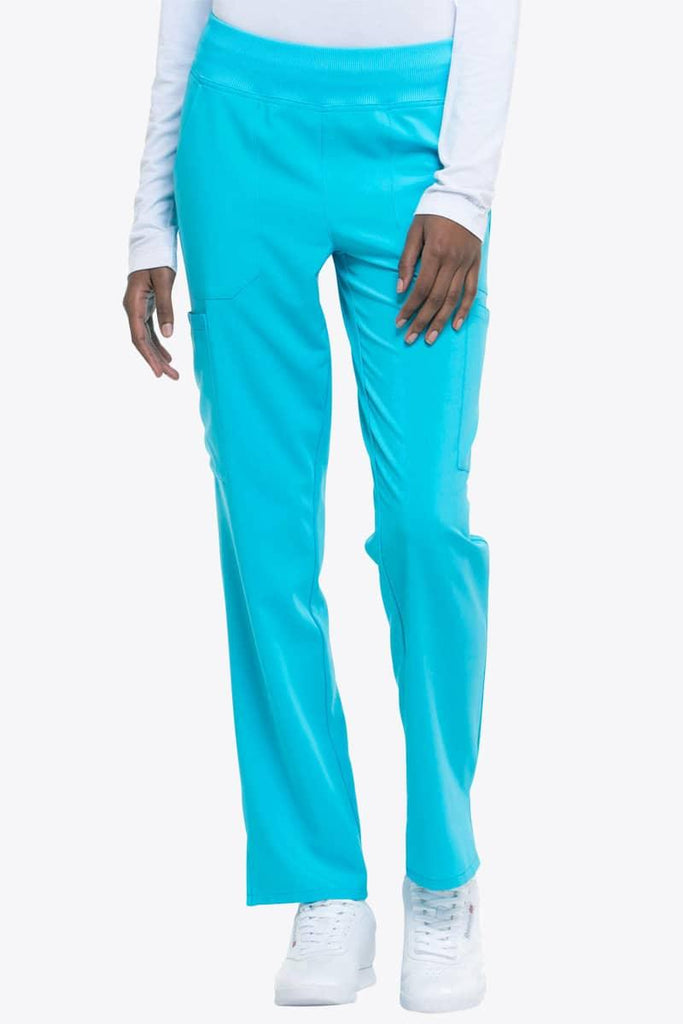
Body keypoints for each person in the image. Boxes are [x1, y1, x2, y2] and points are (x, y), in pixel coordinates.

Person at [123, 0, 518, 1011]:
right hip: (238, 131)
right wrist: (148, 218)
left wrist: (465, 188)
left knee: (426, 522)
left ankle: (442, 874)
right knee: (265, 531)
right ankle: (322, 877)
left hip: (414, 132)